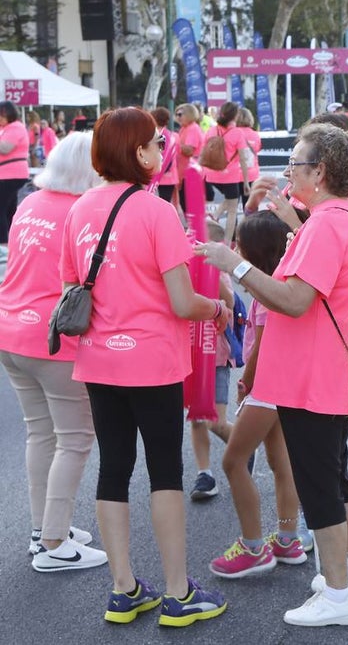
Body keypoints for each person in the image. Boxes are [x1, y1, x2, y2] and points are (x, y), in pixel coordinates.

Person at [195, 123, 348, 627]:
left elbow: (295, 300)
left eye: (295, 164)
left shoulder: (325, 225)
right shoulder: (346, 217)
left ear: (319, 172)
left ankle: (338, 592)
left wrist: (236, 266)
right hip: (330, 372)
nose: (287, 172)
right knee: (336, 481)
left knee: (320, 486)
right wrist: (290, 218)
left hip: (311, 378)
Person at [61, 107, 228, 626]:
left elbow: (72, 286)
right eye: (157, 142)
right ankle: (178, 594)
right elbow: (183, 301)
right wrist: (218, 308)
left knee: (112, 470)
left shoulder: (79, 208)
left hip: (97, 361)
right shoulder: (156, 211)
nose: (163, 150)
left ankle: (123, 588)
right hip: (152, 360)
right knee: (165, 473)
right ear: (138, 152)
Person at [0, 132, 107, 572]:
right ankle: (54, 541)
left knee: (41, 434)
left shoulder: (31, 202)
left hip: (11, 330)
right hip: (52, 339)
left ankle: (43, 528)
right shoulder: (82, 212)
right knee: (76, 439)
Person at [207, 211, 308, 579]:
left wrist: (246, 383)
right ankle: (287, 537)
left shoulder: (267, 293)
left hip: (267, 387)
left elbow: (261, 349)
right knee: (282, 463)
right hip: (284, 389)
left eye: (240, 245)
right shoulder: (282, 282)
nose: (235, 249)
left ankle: (253, 547)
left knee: (233, 462)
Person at [188, 219, 236, 502]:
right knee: (196, 418)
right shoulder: (184, 270)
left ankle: (242, 446)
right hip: (191, 353)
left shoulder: (218, 269)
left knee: (214, 420)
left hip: (215, 354)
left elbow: (228, 301)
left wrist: (210, 267)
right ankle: (204, 474)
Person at [202, 101, 251, 246]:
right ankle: (228, 242)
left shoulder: (211, 131)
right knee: (232, 209)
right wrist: (246, 181)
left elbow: (204, 153)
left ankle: (214, 215)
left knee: (230, 202)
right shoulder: (237, 133)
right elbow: (243, 158)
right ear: (235, 115)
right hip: (230, 176)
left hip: (210, 174)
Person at [0, 100, 31, 254]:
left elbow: (5, 148)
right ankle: (12, 241)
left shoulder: (15, 127)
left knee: (2, 208)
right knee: (8, 209)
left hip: (10, 174)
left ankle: (3, 244)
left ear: (5, 113)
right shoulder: (8, 128)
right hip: (9, 174)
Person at [150, 108, 180, 203]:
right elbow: (177, 155)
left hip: (154, 175)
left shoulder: (153, 135)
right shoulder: (174, 136)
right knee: (166, 203)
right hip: (170, 176)